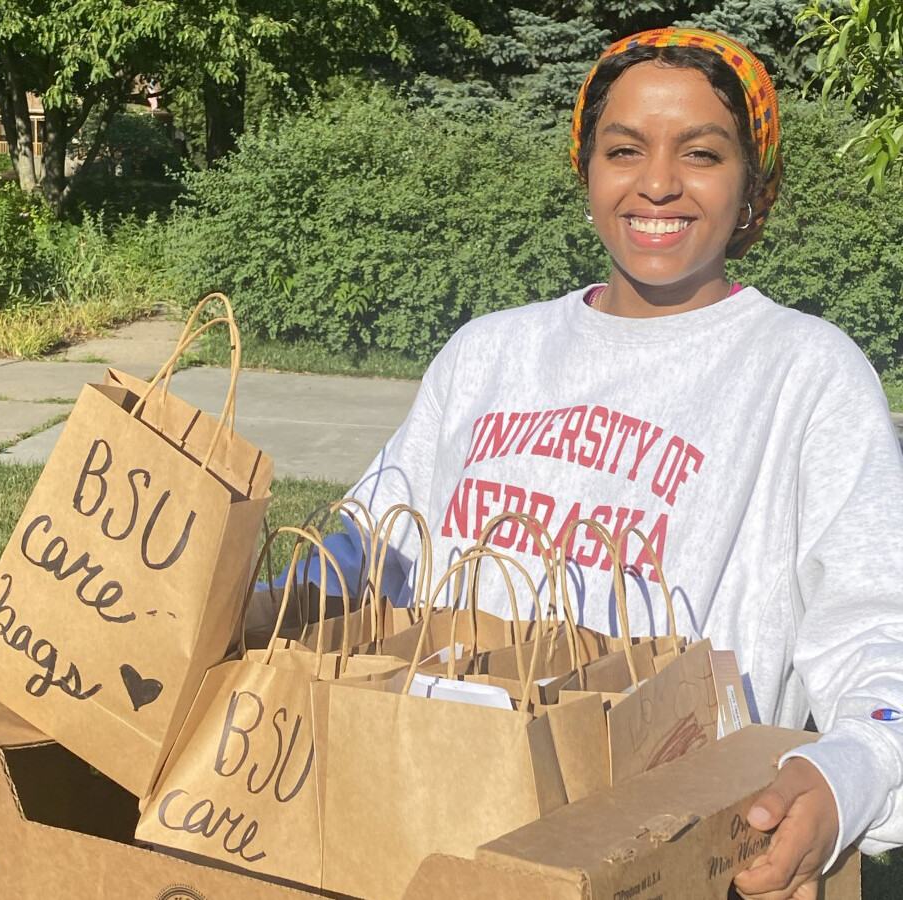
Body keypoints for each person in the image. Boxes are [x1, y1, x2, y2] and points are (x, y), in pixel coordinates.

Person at [278, 26, 903, 899]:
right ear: (586, 171)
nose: (657, 182)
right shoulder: (492, 352)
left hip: (651, 847)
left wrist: (851, 772)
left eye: (701, 153)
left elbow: (877, 628)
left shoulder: (804, 372)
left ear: (752, 186)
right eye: (624, 149)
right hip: (419, 808)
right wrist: (269, 598)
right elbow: (375, 537)